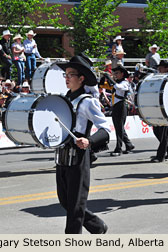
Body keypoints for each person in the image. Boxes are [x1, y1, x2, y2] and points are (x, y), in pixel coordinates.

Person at [54, 54, 110, 234]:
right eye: (66, 75)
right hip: (61, 155)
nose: (67, 78)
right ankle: (97, 226)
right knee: (65, 201)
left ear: (81, 78)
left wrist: (90, 140)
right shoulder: (63, 99)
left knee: (76, 206)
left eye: (71, 74)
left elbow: (105, 128)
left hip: (78, 156)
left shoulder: (88, 102)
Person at [151, 60, 168, 162]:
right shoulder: (158, 78)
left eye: (161, 67)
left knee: (163, 133)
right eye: (158, 67)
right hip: (158, 107)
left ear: (166, 68)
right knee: (156, 130)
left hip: (166, 108)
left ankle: (160, 156)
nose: (159, 69)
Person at [110, 65, 135, 156]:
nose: (115, 75)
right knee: (118, 127)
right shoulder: (118, 82)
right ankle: (129, 145)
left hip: (121, 105)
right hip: (116, 106)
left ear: (122, 74)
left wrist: (110, 79)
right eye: (114, 73)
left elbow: (119, 87)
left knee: (119, 127)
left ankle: (118, 148)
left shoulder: (125, 83)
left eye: (117, 73)